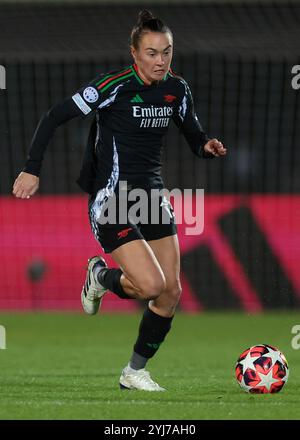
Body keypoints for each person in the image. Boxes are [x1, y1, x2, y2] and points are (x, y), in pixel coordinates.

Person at [12, 10, 227, 391]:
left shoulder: (177, 89)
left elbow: (193, 135)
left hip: (153, 197)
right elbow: (53, 116)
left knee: (171, 291)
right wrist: (31, 168)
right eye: (151, 53)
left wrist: (206, 146)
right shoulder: (112, 86)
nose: (160, 60)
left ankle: (134, 372)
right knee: (149, 286)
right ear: (134, 53)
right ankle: (101, 276)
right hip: (113, 199)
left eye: (166, 52)